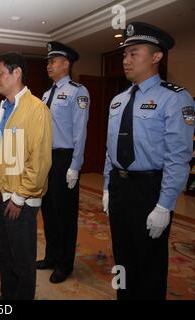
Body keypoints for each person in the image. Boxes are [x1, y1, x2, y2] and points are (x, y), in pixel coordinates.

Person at [102, 22, 194, 300]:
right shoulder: (117, 100)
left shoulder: (175, 98)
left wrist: (165, 205)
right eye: (124, 54)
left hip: (149, 189)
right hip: (120, 186)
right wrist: (107, 186)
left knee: (150, 260)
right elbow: (110, 148)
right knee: (122, 254)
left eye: (134, 53)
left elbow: (178, 157)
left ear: (156, 57)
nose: (126, 60)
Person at [0, 52, 52, 299]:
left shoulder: (37, 109)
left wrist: (19, 197)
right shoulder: (5, 106)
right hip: (0, 189)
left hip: (20, 197)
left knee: (22, 256)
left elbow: (40, 162)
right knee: (4, 252)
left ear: (17, 74)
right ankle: (8, 297)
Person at [36, 42, 90, 284]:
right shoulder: (47, 94)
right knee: (48, 210)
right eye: (48, 61)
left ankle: (65, 263)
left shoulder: (78, 91)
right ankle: (51, 256)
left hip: (64, 158)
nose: (48, 65)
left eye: (53, 61)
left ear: (66, 63)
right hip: (46, 158)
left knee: (64, 214)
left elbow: (80, 131)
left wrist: (75, 166)